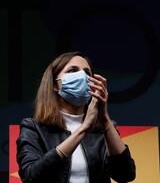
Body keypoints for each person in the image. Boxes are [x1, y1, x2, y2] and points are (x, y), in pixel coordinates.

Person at [16, 51, 136, 183]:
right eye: (72, 70)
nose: (82, 76)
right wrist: (83, 128)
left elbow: (126, 175)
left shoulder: (103, 130)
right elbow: (31, 176)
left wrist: (106, 121)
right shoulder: (33, 128)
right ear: (55, 84)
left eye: (87, 73)